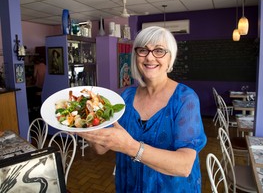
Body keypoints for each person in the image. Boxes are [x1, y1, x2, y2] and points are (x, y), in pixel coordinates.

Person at [77, 26, 207, 192]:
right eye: (143, 50)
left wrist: (130, 147)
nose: (150, 57)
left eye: (159, 50)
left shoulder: (185, 98)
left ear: (170, 58)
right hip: (130, 186)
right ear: (136, 57)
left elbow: (184, 166)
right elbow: (101, 149)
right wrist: (86, 125)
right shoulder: (126, 97)